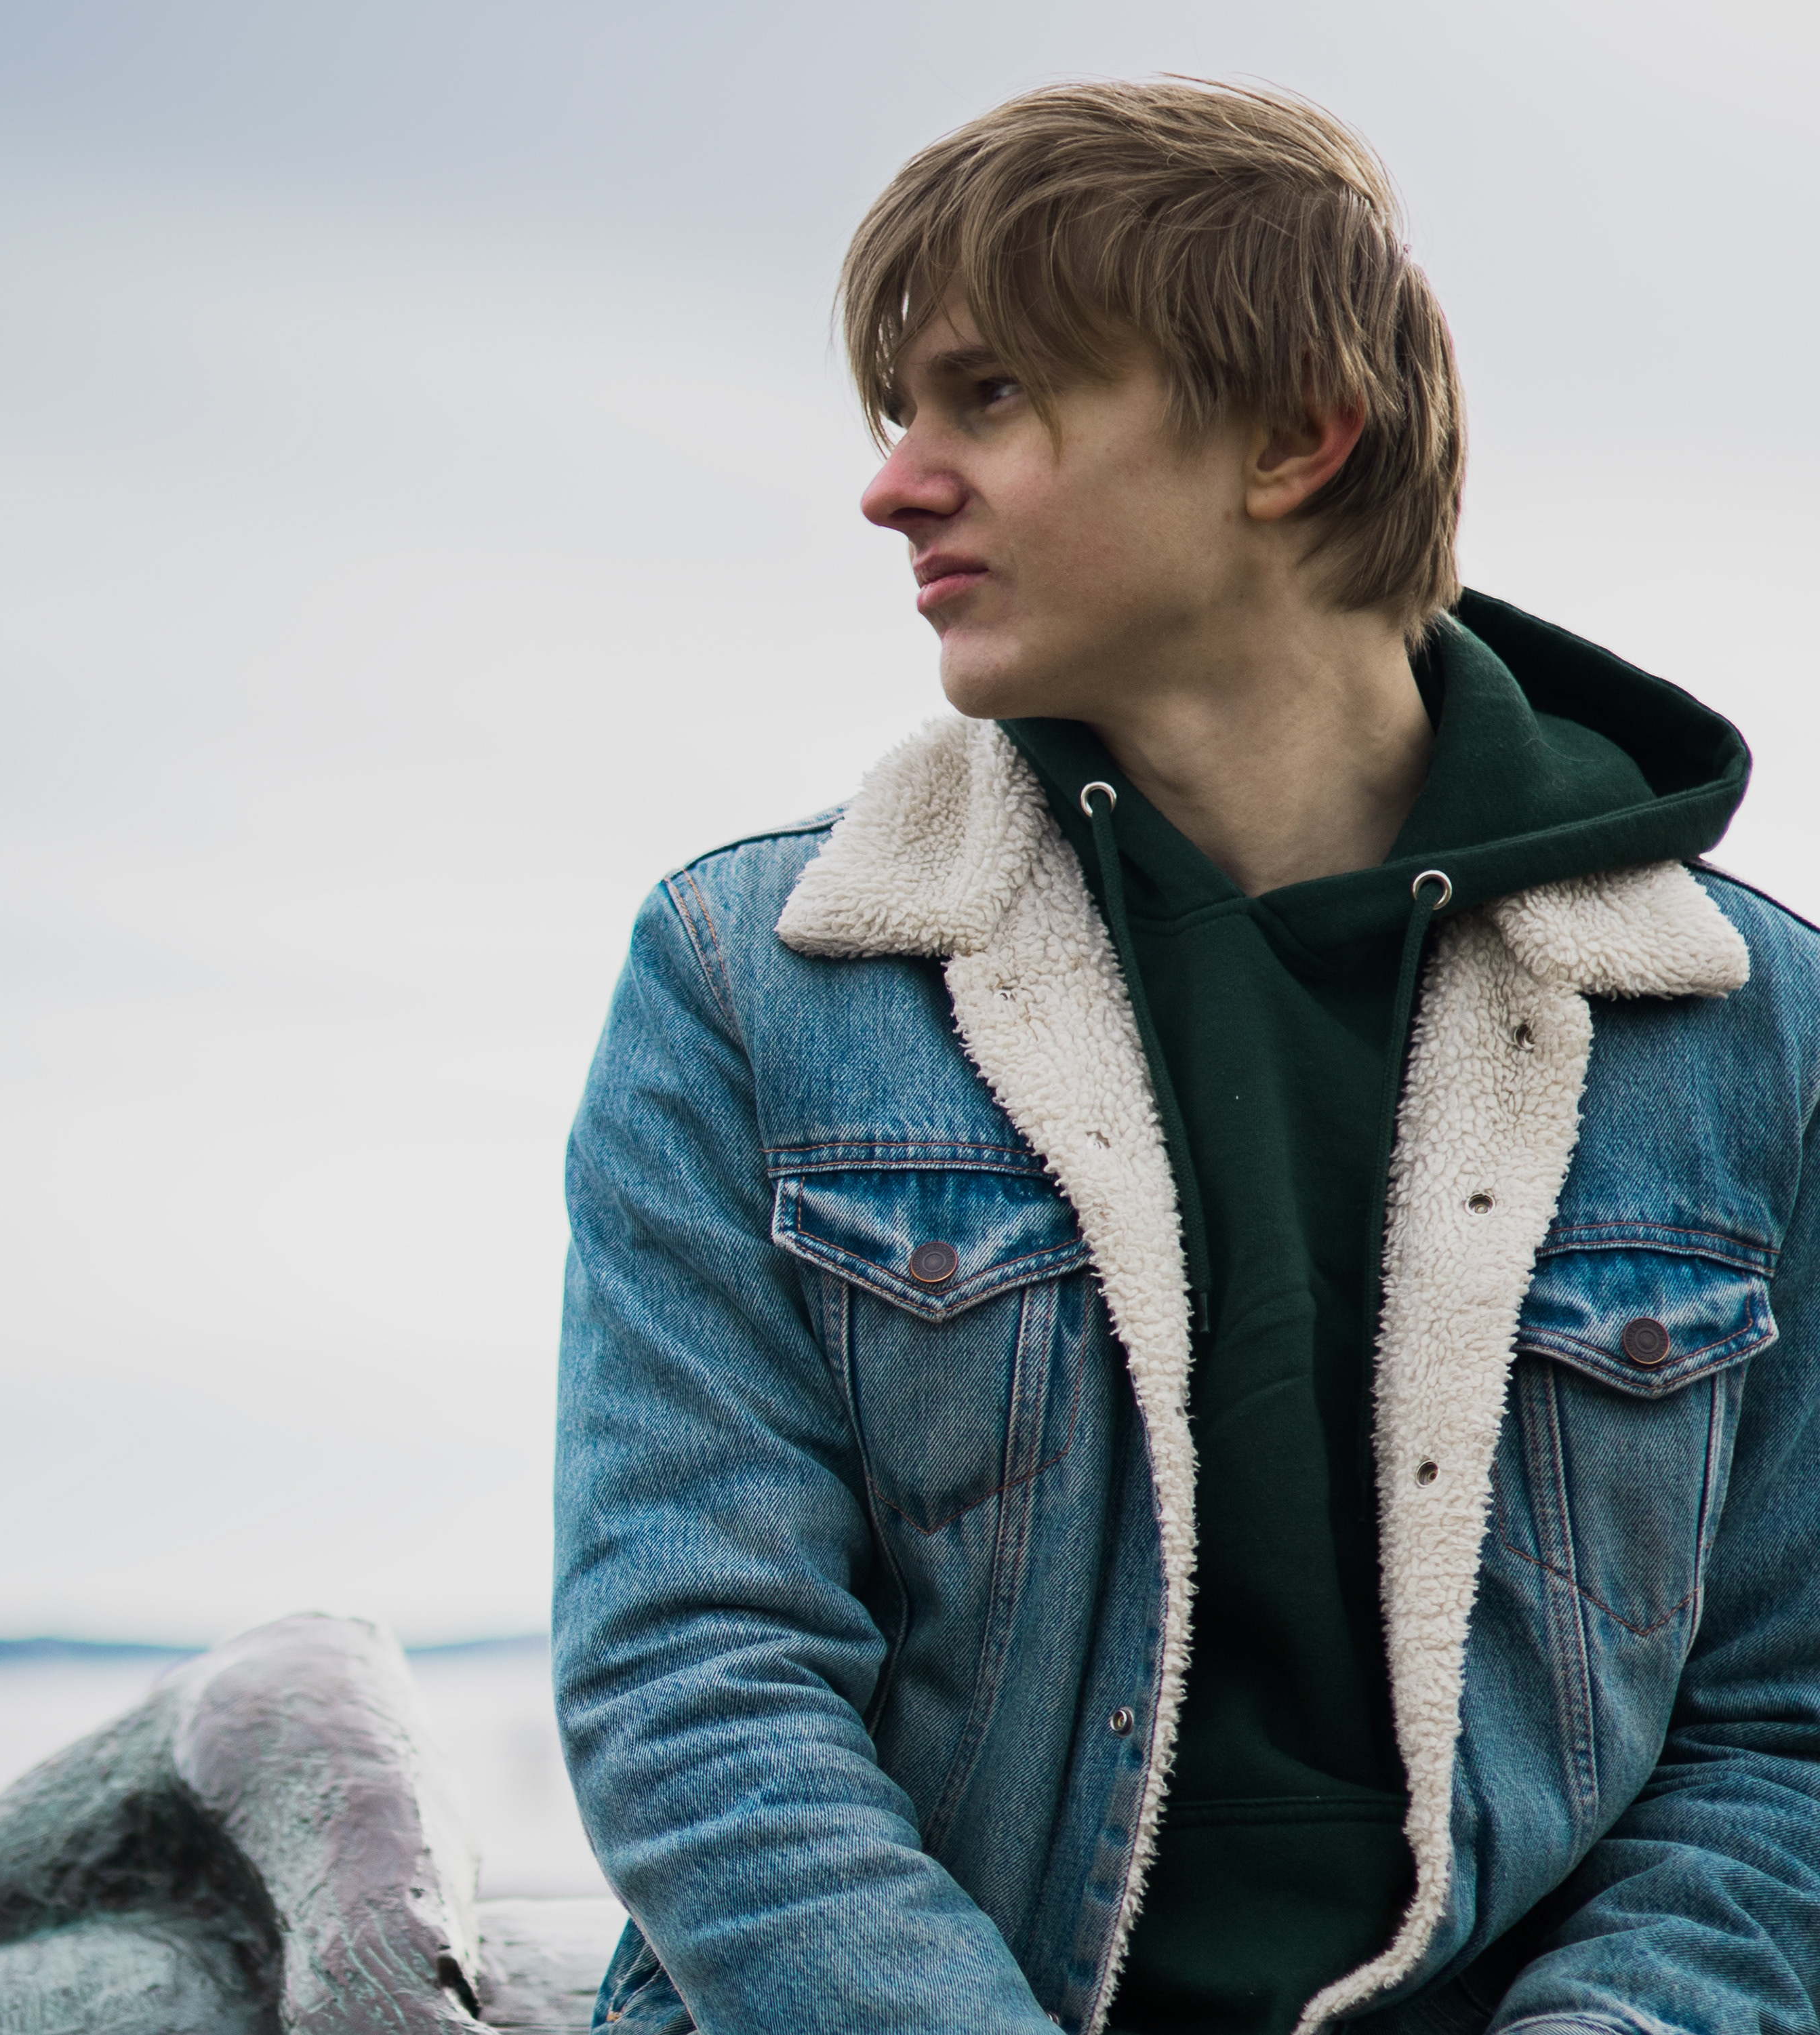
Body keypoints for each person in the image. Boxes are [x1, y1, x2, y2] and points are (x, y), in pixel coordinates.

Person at [552, 77, 1820, 2035]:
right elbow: (697, 1676)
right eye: (898, 411)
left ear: (1298, 435)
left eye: (989, 397)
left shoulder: (1748, 1025)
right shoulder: (760, 978)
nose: (896, 485)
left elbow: (1782, 1730)